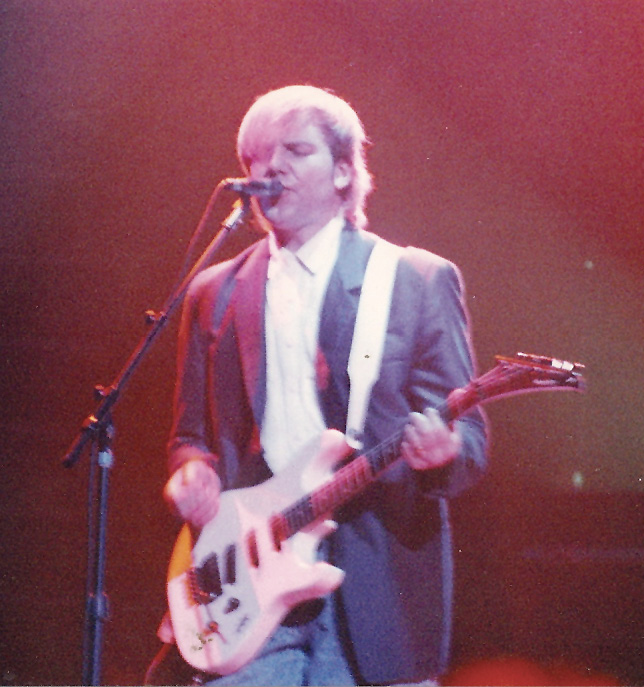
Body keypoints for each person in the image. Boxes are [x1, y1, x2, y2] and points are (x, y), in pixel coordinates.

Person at [150, 85, 488, 686]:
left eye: (295, 150)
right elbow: (190, 437)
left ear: (341, 172)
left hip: (376, 577)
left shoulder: (413, 280)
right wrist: (192, 473)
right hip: (253, 576)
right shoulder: (215, 292)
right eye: (256, 157)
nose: (269, 167)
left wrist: (445, 451)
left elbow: (471, 445)